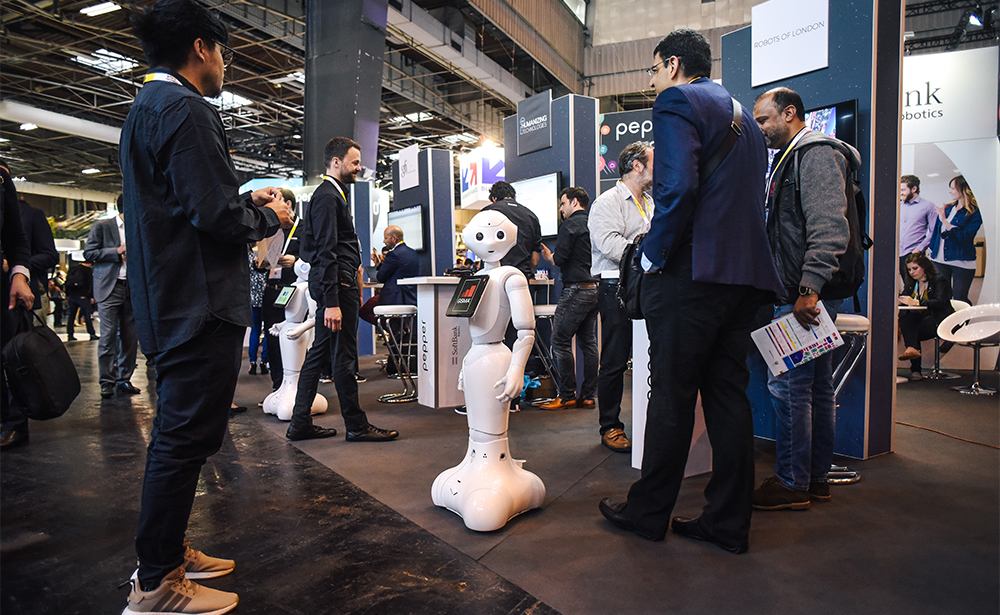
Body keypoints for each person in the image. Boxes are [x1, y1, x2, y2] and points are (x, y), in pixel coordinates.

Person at [119, 1, 294, 612]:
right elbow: (215, 214)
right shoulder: (186, 107)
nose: (224, 64)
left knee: (181, 435)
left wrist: (245, 202)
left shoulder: (146, 107)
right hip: (198, 302)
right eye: (223, 51)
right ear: (202, 47)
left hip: (171, 299)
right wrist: (269, 216)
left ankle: (166, 552)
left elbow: (183, 203)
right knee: (182, 437)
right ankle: (157, 583)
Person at [598, 29, 782, 554]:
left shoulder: (678, 101)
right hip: (741, 278)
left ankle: (647, 513)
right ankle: (727, 522)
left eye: (654, 69)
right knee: (727, 397)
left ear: (674, 65)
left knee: (671, 396)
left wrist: (652, 255)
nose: (653, 80)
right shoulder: (743, 116)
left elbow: (677, 189)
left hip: (692, 274)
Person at [750, 86, 857, 512]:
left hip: (802, 295)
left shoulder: (814, 153)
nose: (759, 128)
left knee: (790, 388)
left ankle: (792, 483)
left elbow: (830, 226)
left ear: (790, 113)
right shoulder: (793, 156)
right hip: (803, 293)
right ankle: (814, 479)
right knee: (815, 389)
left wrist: (809, 289)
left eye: (764, 119)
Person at [285, 137, 399, 443]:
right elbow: (326, 250)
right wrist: (333, 301)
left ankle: (300, 423)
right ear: (336, 162)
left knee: (320, 354)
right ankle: (356, 425)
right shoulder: (327, 197)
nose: (359, 168)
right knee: (344, 357)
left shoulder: (331, 195)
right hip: (337, 286)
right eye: (354, 162)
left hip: (338, 284)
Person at [588, 141, 654, 453]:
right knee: (615, 358)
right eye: (653, 162)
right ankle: (610, 426)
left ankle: (649, 422)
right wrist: (647, 253)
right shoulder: (607, 202)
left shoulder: (650, 202)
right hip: (616, 286)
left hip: (649, 284)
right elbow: (608, 243)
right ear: (637, 166)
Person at [537, 187, 598, 410]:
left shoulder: (569, 225)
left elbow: (561, 258)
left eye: (563, 204)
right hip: (594, 288)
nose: (561, 209)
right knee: (588, 342)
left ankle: (566, 395)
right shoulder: (594, 222)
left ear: (574, 202)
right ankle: (588, 395)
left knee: (560, 341)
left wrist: (549, 257)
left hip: (575, 289)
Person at [84, 207, 140, 399]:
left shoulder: (137, 226)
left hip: (132, 288)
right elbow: (89, 253)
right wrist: (116, 251)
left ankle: (124, 379)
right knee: (107, 337)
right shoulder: (102, 226)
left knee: (130, 338)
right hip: (109, 286)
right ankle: (107, 381)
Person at [1, 163, 37, 451]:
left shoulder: (1, 177)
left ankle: (13, 423)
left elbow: (16, 238)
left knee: (10, 358)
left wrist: (19, 275)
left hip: (3, 290)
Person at [262, 187, 302, 392]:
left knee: (295, 338)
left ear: (287, 204)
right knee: (272, 340)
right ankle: (278, 388)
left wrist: (296, 260)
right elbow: (258, 262)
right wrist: (261, 263)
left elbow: (313, 257)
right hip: (271, 290)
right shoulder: (269, 230)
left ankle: (298, 390)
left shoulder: (303, 228)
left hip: (294, 292)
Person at [898, 252, 955, 380]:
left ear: (924, 267)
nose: (912, 272)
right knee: (906, 320)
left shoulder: (939, 281)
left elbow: (940, 302)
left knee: (912, 329)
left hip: (939, 319)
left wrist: (916, 302)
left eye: (915, 268)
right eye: (909, 270)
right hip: (920, 320)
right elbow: (906, 300)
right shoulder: (911, 285)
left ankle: (915, 368)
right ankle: (912, 352)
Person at [928, 175, 982, 305]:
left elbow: (965, 236)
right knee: (941, 297)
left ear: (964, 189)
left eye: (953, 188)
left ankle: (964, 319)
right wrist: (931, 249)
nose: (950, 191)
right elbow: (937, 231)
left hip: (962, 261)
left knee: (960, 298)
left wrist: (945, 221)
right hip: (939, 260)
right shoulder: (948, 208)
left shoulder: (974, 212)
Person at [483, 181, 541, 280]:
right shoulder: (532, 216)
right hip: (521, 278)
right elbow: (535, 261)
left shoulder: (487, 212)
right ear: (514, 197)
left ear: (494, 199)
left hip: (493, 278)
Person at [898, 175, 936, 286]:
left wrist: (919, 249)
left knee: (916, 286)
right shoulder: (898, 206)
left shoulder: (928, 206)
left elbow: (933, 231)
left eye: (903, 190)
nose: (900, 193)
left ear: (914, 189)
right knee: (906, 285)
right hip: (899, 253)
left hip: (914, 253)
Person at [372, 225, 419, 306]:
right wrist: (379, 264)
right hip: (411, 298)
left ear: (394, 238)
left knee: (368, 308)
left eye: (386, 238)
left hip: (394, 299)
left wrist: (379, 266)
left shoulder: (393, 254)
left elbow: (380, 277)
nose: (384, 241)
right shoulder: (413, 253)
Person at [63, 260, 98, 341]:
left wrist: (67, 294)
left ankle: (70, 334)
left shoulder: (73, 269)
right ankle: (92, 334)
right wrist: (91, 296)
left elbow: (67, 283)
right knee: (87, 316)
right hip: (83, 296)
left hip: (72, 296)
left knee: (71, 316)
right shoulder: (87, 271)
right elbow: (90, 284)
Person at [247, 247, 269, 375]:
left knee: (254, 330)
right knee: (267, 330)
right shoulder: (268, 256)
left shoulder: (249, 257)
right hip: (267, 297)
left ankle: (252, 362)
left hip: (253, 299)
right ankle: (264, 362)